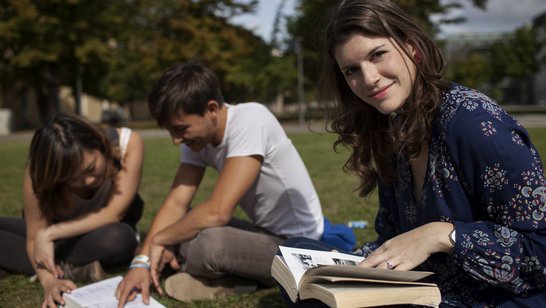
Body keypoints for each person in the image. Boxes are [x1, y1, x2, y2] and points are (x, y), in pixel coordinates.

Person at [278, 0, 546, 307]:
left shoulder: (475, 124)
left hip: (493, 296)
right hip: (424, 285)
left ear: (412, 48)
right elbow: (392, 236)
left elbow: (539, 250)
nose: (369, 79)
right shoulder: (393, 126)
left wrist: (442, 235)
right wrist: (348, 265)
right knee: (293, 253)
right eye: (352, 70)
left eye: (377, 55)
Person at [115, 63, 330, 306]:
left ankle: (234, 280)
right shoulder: (198, 140)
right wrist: (140, 262)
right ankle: (229, 274)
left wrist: (159, 240)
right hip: (263, 234)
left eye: (181, 129)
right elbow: (176, 201)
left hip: (299, 246)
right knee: (180, 224)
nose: (176, 140)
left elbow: (218, 212)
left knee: (208, 245)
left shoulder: (251, 119)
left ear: (212, 109)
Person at [0, 113, 144, 308]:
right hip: (59, 238)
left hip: (100, 234)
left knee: (119, 238)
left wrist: (49, 234)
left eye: (91, 168)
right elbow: (34, 238)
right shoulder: (38, 172)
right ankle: (69, 268)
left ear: (98, 143)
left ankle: (17, 260)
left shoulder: (128, 143)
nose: (88, 181)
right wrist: (48, 280)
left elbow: (113, 213)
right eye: (73, 179)